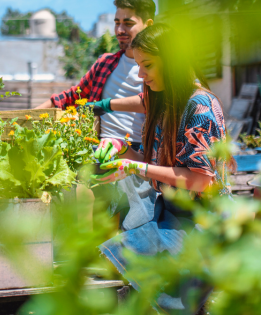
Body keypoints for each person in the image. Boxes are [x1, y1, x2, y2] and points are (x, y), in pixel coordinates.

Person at [91, 24, 233, 313]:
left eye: (148, 65)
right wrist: (119, 147)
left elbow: (199, 181)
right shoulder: (163, 100)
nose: (141, 74)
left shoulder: (199, 106)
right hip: (171, 210)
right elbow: (154, 161)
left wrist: (133, 166)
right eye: (139, 65)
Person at [36, 0, 155, 229]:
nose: (120, 29)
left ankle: (101, 253)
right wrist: (27, 115)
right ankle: (86, 253)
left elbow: (157, 103)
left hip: (137, 153)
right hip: (98, 148)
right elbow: (72, 97)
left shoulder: (156, 68)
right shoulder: (106, 63)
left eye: (128, 23)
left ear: (148, 25)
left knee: (111, 207)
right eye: (116, 22)